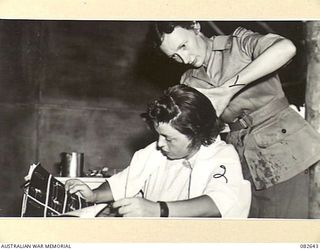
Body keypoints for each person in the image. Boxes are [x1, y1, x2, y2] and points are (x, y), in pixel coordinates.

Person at [151, 21, 320, 218]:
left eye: (183, 46)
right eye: (174, 56)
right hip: (238, 155)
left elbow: (286, 48)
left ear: (196, 27)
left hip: (282, 147)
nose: (184, 58)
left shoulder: (239, 44)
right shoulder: (188, 81)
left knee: (282, 228)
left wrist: (227, 90)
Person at [65, 84, 251, 218]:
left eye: (169, 138)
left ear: (196, 133)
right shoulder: (154, 153)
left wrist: (158, 210)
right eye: (159, 135)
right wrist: (94, 195)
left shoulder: (221, 155)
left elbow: (219, 203)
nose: (160, 144)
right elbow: (122, 183)